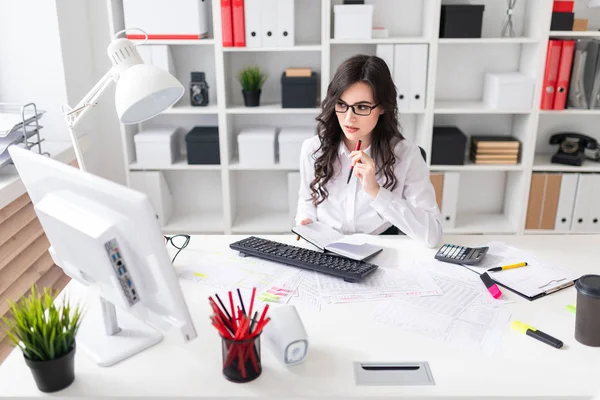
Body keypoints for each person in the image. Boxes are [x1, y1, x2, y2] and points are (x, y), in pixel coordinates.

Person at [295, 54, 443, 248]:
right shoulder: (313, 149)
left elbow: (433, 235)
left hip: (380, 250)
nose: (349, 118)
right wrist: (305, 219)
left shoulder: (406, 154)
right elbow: (307, 201)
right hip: (325, 249)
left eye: (362, 107)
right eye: (342, 105)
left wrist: (376, 191)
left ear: (382, 107)